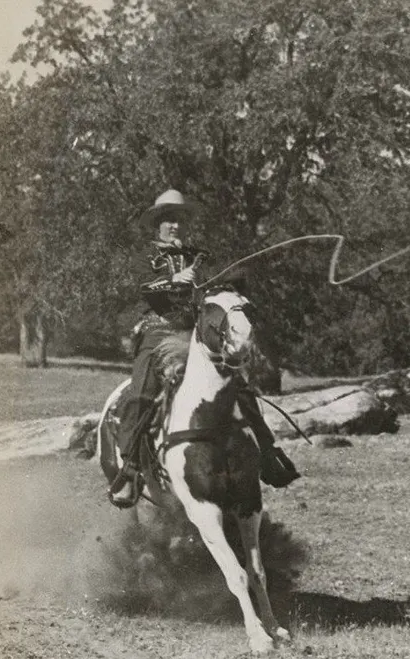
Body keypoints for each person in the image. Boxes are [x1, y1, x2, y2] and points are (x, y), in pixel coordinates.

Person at [109, 189, 299, 508]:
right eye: (168, 219)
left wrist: (224, 285)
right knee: (141, 393)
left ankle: (268, 455)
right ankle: (129, 470)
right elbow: (144, 288)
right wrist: (177, 278)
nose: (175, 225)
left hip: (196, 332)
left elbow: (215, 291)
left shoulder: (200, 257)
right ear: (157, 223)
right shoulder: (144, 257)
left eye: (180, 219)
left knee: (239, 388)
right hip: (157, 332)